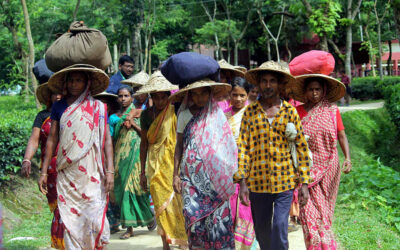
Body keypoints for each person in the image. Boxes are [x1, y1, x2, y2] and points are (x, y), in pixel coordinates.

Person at [235, 61, 311, 250]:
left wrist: (304, 183)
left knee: (279, 226)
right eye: (264, 81)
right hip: (257, 183)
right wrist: (242, 181)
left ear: (279, 85)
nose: (268, 85)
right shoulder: (250, 113)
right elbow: (243, 146)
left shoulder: (289, 111)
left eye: (272, 81)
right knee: (261, 231)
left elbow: (301, 147)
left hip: (284, 181)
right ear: (259, 84)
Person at [39, 64, 114, 249]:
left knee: (92, 214)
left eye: (78, 80)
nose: (74, 84)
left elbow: (106, 141)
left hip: (92, 173)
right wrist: (43, 171)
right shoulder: (59, 106)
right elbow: (52, 139)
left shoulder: (98, 107)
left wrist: (110, 170)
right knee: (70, 218)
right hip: (67, 172)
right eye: (71, 80)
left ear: (86, 82)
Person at [171, 79, 236, 249]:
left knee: (217, 222)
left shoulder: (216, 115)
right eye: (195, 93)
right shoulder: (184, 115)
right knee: (193, 220)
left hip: (215, 180)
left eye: (203, 93)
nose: (199, 98)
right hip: (190, 179)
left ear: (210, 94)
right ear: (189, 95)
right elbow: (179, 146)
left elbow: (226, 145)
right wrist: (175, 174)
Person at [290, 73, 351, 249]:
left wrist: (347, 157)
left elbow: (341, 134)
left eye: (318, 89)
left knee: (324, 213)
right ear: (305, 91)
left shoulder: (332, 111)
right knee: (308, 213)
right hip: (305, 170)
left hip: (329, 168)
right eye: (311, 90)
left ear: (323, 91)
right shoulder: (298, 112)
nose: (314, 93)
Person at [138, 72, 187, 249]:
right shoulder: (145, 116)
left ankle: (181, 239)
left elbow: (180, 140)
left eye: (163, 97)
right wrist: (142, 172)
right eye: (156, 98)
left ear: (169, 96)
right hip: (154, 164)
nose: (160, 102)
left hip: (173, 163)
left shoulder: (176, 111)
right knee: (160, 202)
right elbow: (143, 144)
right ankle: (165, 241)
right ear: (151, 97)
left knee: (177, 200)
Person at [21, 60, 64, 249]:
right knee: (58, 209)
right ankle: (61, 242)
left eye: (61, 92)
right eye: (55, 93)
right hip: (50, 169)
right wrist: (27, 159)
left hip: (71, 166)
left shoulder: (71, 112)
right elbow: (34, 139)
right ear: (49, 95)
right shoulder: (42, 115)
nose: (58, 96)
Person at [109, 85, 155, 239]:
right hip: (120, 156)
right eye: (120, 96)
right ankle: (141, 220)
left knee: (134, 188)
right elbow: (111, 139)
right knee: (123, 188)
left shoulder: (140, 113)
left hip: (136, 156)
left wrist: (133, 123)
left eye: (126, 96)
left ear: (132, 97)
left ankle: (131, 228)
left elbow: (146, 135)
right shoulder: (114, 117)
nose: (123, 99)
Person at [224, 78, 256, 249]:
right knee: (230, 208)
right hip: (228, 169)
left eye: (241, 95)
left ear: (248, 95)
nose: (237, 99)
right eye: (234, 95)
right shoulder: (224, 115)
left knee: (246, 207)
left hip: (249, 168)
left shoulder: (253, 114)